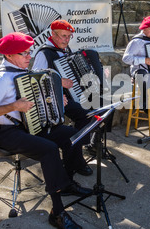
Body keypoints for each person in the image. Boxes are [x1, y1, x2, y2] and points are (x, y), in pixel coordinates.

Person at [0, 32, 92, 229]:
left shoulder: (24, 71)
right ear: (9, 56)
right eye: (23, 53)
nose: (29, 56)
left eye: (29, 52)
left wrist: (56, 102)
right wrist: (13, 106)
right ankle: (57, 211)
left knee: (70, 134)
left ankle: (67, 183)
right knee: (49, 149)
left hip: (28, 126)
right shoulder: (0, 79)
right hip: (5, 132)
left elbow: (38, 101)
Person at [32, 20, 103, 172]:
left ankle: (86, 145)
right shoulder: (44, 53)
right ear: (53, 34)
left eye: (69, 36)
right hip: (53, 100)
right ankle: (77, 157)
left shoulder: (65, 50)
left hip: (70, 94)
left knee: (100, 104)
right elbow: (35, 80)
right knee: (84, 114)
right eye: (63, 36)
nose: (66, 40)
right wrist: (59, 82)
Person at [122, 15, 150, 119]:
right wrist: (144, 60)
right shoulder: (136, 42)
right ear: (144, 28)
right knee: (145, 77)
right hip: (139, 72)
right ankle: (145, 105)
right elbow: (125, 58)